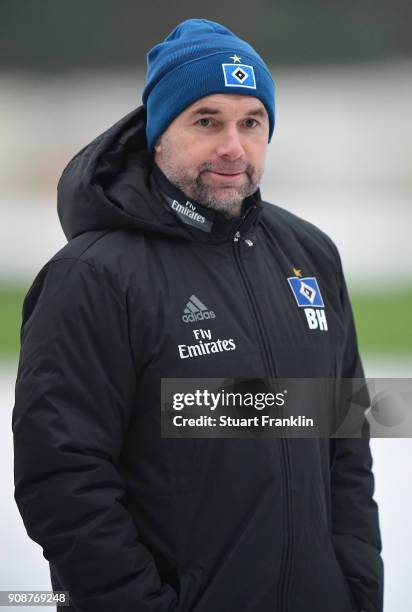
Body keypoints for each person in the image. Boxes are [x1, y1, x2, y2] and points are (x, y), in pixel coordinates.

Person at [12, 18, 383, 612]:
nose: (233, 145)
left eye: (251, 122)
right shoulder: (93, 275)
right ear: (159, 134)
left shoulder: (310, 255)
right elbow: (62, 479)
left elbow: (347, 446)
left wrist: (357, 591)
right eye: (206, 120)